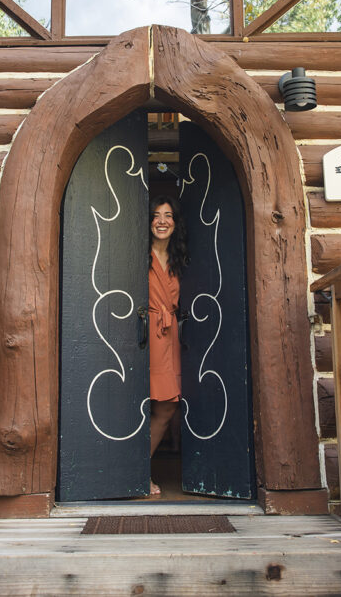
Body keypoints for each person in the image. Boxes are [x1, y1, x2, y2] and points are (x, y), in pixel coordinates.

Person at [147, 195, 188, 495]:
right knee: (135, 404)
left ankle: (137, 466)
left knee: (166, 407)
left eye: (168, 215)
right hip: (142, 333)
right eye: (157, 215)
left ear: (175, 222)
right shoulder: (139, 254)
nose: (162, 220)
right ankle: (134, 474)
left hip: (169, 334)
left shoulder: (181, 259)